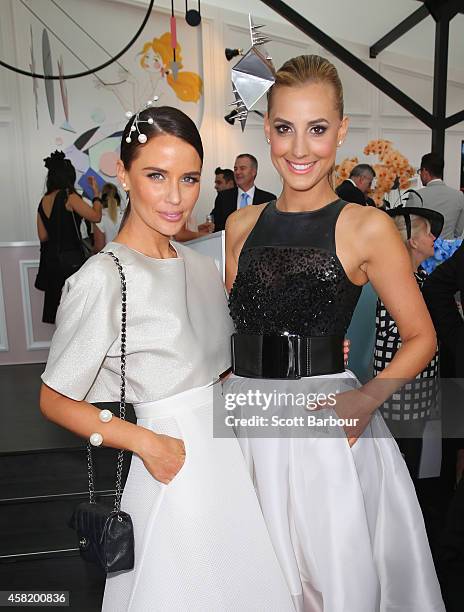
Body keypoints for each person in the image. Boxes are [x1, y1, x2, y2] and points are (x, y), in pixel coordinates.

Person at [39, 106, 294, 611]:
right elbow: (54, 400)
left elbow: (219, 369)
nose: (175, 197)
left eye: (189, 178)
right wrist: (147, 444)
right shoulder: (104, 278)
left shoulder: (201, 266)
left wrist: (295, 354)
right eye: (156, 175)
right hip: (170, 469)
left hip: (228, 463)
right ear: (124, 174)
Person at [225, 54, 445, 611]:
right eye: (284, 129)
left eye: (317, 129)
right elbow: (235, 326)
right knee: (252, 577)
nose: (299, 149)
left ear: (341, 131)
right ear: (267, 129)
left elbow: (423, 337)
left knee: (330, 580)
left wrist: (367, 397)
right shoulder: (239, 225)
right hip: (244, 420)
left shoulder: (367, 227)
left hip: (325, 427)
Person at [373, 206, 443, 483]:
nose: (435, 238)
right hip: (400, 392)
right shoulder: (398, 283)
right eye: (429, 233)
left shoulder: (419, 279)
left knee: (409, 459)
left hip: (414, 392)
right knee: (400, 467)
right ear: (413, 241)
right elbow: (395, 332)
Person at [36, 151, 102, 324]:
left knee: (60, 316)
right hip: (71, 263)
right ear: (68, 177)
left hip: (51, 264)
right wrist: (96, 195)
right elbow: (96, 216)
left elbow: (43, 236)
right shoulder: (69, 197)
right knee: (77, 316)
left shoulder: (43, 201)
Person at [207, 154, 276, 232]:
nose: (237, 172)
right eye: (235, 169)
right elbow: (216, 228)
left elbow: (271, 230)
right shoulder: (223, 197)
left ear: (253, 172)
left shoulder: (268, 200)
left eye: (242, 168)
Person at [407, 153, 464, 239]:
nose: (420, 175)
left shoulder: (416, 196)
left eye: (420, 172)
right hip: (448, 251)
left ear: (425, 171)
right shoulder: (459, 196)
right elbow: (458, 232)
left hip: (423, 251)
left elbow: (409, 229)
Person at [93, 183, 124, 252]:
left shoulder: (99, 218)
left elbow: (99, 248)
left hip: (109, 259)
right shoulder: (126, 215)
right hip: (127, 257)